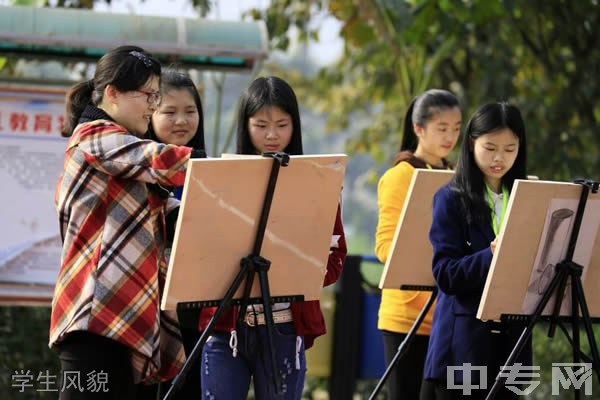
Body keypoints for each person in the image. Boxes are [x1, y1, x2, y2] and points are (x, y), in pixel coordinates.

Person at [49, 45, 205, 400]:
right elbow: (156, 158)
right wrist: (225, 167)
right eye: (149, 95)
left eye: (156, 95)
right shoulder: (94, 137)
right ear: (112, 93)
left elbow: (167, 210)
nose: (153, 105)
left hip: (122, 320)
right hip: (93, 320)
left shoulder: (120, 157)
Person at [198, 75, 347, 400]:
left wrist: (299, 271)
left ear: (295, 125)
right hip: (226, 328)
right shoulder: (221, 179)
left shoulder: (318, 182)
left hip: (284, 329)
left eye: (282, 124)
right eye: (261, 124)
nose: (272, 135)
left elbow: (336, 259)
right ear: (245, 124)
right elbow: (202, 254)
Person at [420, 102, 531, 400]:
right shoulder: (450, 198)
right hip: (464, 346)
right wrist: (493, 254)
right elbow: (445, 274)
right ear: (471, 144)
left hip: (513, 344)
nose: (499, 158)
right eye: (490, 147)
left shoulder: (528, 198)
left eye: (510, 149)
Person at [374, 89, 461, 399]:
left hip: (449, 319)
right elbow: (385, 247)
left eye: (456, 128)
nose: (450, 136)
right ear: (418, 129)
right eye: (442, 128)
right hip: (407, 318)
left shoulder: (458, 179)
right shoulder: (400, 177)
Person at [147, 68, 206, 399]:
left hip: (198, 311)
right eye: (169, 112)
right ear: (150, 114)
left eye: (190, 111)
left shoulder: (210, 170)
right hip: (150, 307)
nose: (181, 120)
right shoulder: (140, 171)